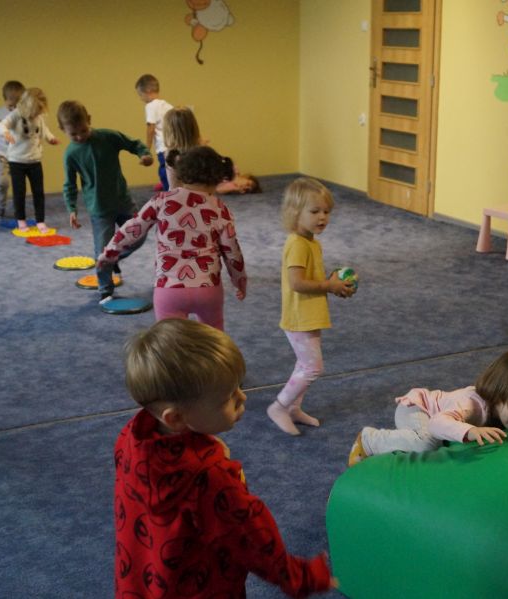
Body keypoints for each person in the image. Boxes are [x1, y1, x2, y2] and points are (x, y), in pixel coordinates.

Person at [114, 318, 335, 597]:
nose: (243, 398)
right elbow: (252, 538)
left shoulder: (131, 437)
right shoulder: (209, 477)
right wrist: (302, 576)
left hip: (145, 583)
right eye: (228, 398)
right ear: (176, 418)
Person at [98, 146, 247, 329]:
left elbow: (133, 228)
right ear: (218, 178)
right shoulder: (221, 209)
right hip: (208, 289)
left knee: (168, 340)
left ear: (182, 172)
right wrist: (239, 281)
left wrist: (109, 253)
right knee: (214, 338)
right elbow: (232, 252)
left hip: (169, 288)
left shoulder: (162, 200)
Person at [348, 347, 508, 466]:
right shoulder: (472, 405)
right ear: (498, 394)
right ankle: (370, 440)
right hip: (418, 409)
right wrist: (471, 431)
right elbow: (437, 423)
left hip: (435, 415)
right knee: (427, 442)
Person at [268, 178, 354, 436]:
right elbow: (296, 283)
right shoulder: (297, 244)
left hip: (309, 314)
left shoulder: (312, 242)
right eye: (315, 211)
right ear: (295, 212)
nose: (322, 217)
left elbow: (309, 278)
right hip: (299, 316)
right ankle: (279, 406)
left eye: (326, 211)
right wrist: (329, 285)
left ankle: (294, 407)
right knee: (313, 367)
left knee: (303, 364)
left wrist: (332, 284)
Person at [58, 100, 153, 302]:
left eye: (83, 130)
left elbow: (133, 143)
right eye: (73, 134)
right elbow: (70, 184)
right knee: (102, 251)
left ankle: (113, 257)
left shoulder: (108, 137)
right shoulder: (71, 154)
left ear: (89, 120)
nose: (80, 136)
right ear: (62, 130)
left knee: (139, 235)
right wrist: (71, 208)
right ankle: (105, 289)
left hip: (122, 201)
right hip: (99, 209)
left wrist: (144, 154)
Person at [0, 87, 59, 232]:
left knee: (38, 192)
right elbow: (1, 125)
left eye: (40, 110)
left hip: (35, 160)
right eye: (36, 110)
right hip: (17, 161)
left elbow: (44, 130)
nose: (37, 113)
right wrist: (5, 133)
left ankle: (40, 221)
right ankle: (21, 220)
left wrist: (51, 138)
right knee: (19, 192)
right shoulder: (16, 115)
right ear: (27, 106)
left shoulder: (39, 117)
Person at [0, 80, 25, 218]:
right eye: (11, 101)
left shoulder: (23, 113)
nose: (14, 105)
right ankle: (0, 206)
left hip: (18, 155)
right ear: (5, 99)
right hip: (2, 154)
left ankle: (18, 209)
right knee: (2, 182)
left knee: (18, 184)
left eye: (17, 102)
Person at [134, 74, 173, 191]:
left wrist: (147, 149)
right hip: (174, 146)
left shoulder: (150, 106)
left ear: (148, 91)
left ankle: (167, 189)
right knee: (173, 168)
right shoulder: (168, 105)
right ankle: (170, 184)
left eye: (140, 95)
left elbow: (151, 127)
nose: (141, 99)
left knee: (164, 169)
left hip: (164, 148)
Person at [162, 106, 202, 190]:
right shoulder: (201, 150)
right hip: (200, 194)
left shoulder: (171, 154)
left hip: (179, 194)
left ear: (169, 131)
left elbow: (174, 186)